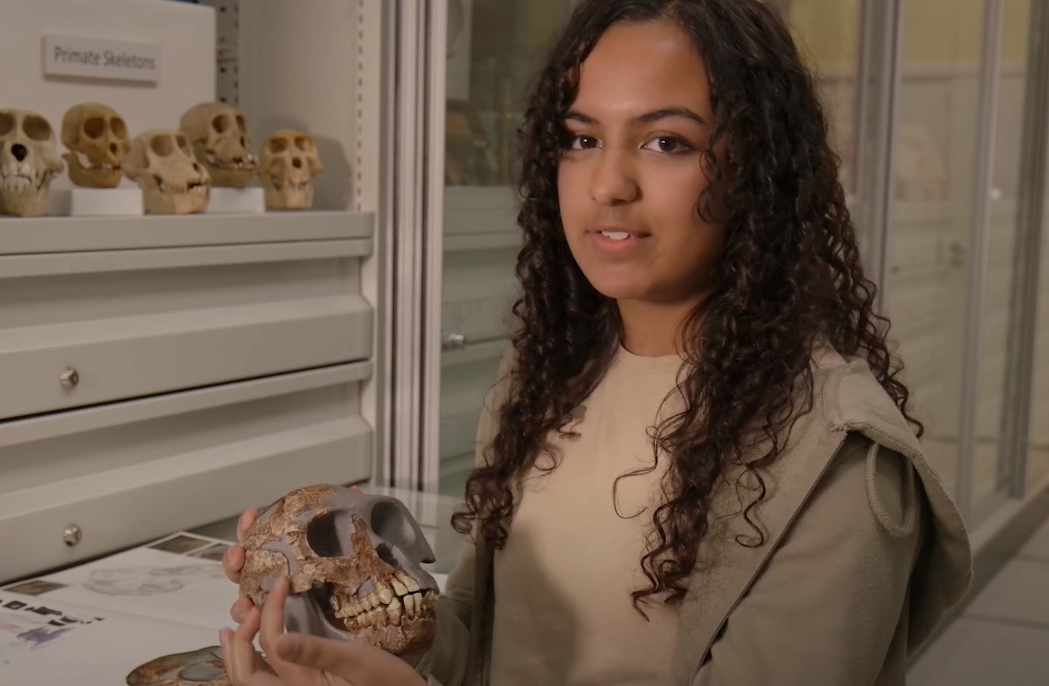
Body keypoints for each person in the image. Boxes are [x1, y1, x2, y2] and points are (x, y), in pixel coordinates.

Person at [218, 0, 972, 684]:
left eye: (666, 142)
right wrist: (336, 619)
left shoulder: (839, 459)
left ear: (758, 169)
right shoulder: (541, 382)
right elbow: (483, 647)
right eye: (581, 138)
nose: (608, 183)